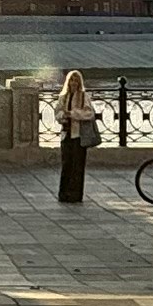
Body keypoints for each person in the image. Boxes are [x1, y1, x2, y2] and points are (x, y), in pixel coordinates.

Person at [53, 67, 100, 204]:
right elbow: (57, 113)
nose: (73, 83)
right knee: (66, 164)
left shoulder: (83, 96)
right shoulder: (63, 97)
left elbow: (89, 113)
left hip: (78, 135)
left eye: (76, 81)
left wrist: (73, 114)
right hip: (66, 134)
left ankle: (75, 195)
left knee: (77, 166)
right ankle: (64, 193)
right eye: (71, 80)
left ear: (79, 83)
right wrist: (63, 116)